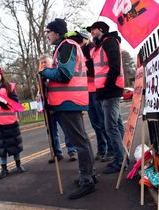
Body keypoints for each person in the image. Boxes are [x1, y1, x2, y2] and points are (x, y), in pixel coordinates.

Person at [39, 18, 95, 199]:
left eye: (48, 32)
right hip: (69, 101)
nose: (46, 35)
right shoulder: (64, 47)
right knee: (82, 140)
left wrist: (44, 72)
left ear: (56, 32)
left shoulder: (66, 46)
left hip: (69, 101)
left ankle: (87, 180)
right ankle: (89, 174)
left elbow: (64, 74)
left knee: (79, 142)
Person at [65, 31, 114, 162]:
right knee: (95, 124)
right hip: (86, 91)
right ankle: (102, 149)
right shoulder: (76, 53)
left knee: (103, 122)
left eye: (77, 41)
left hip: (96, 90)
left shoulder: (91, 48)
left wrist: (86, 66)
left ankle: (110, 149)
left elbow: (97, 69)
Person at [87, 21, 126, 174]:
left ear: (101, 30)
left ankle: (120, 160)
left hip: (110, 90)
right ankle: (123, 157)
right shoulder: (99, 46)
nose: (91, 33)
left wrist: (107, 88)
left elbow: (114, 67)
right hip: (105, 90)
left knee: (111, 127)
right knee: (115, 125)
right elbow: (96, 68)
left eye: (93, 30)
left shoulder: (110, 42)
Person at [39, 54, 78, 163]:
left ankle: (72, 151)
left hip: (58, 105)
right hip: (48, 107)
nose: (44, 65)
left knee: (66, 130)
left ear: (51, 62)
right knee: (52, 132)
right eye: (42, 63)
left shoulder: (56, 73)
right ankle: (56, 153)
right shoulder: (42, 76)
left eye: (45, 62)